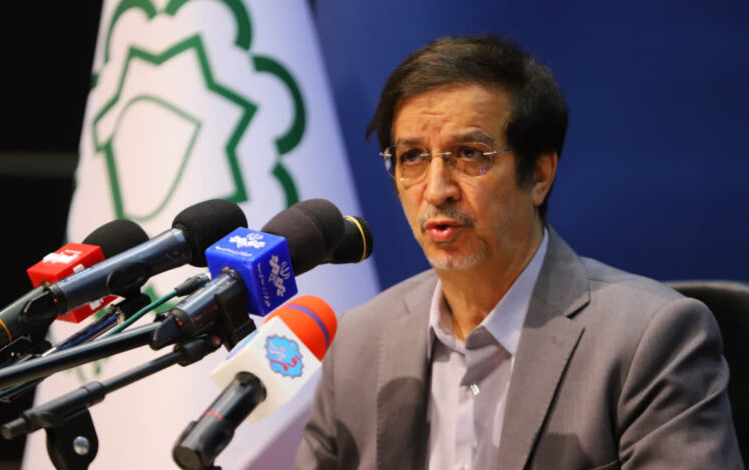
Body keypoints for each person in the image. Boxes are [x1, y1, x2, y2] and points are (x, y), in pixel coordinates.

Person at [293, 35, 743, 470]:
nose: (436, 189)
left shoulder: (648, 339)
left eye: (469, 154)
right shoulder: (359, 342)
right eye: (412, 157)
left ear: (540, 175)